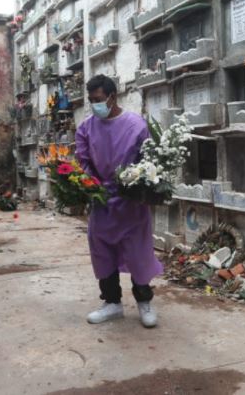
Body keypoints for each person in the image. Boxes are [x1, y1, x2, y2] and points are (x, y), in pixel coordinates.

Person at [75, 75, 163, 328]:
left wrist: (137, 184)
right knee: (102, 252)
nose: (94, 105)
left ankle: (144, 301)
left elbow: (148, 160)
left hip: (131, 200)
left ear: (112, 97)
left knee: (138, 252)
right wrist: (93, 186)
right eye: (91, 100)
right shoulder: (86, 128)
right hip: (102, 199)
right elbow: (83, 161)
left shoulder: (136, 125)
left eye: (98, 99)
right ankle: (111, 302)